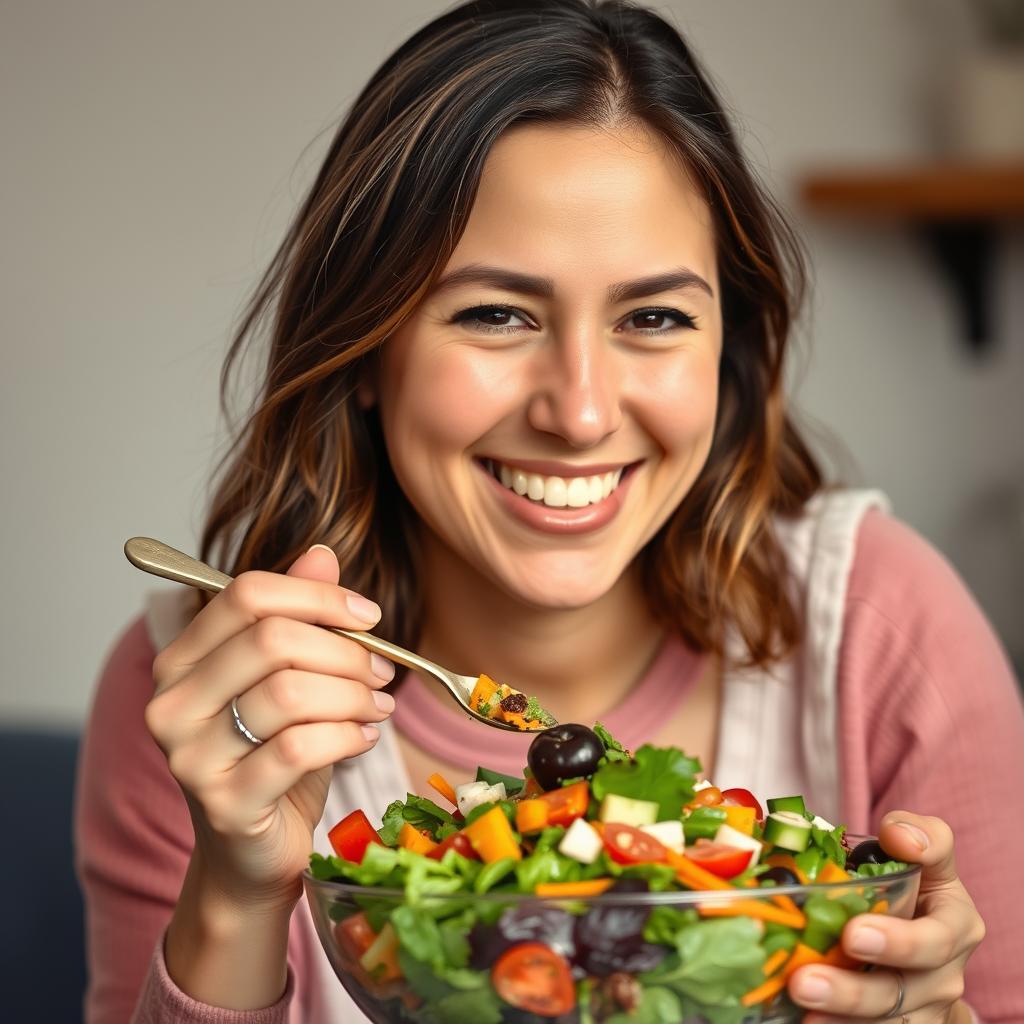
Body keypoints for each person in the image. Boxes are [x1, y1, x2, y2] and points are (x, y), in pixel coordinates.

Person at [74, 1, 1024, 1021]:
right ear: (364, 352)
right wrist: (233, 898)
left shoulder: (884, 624)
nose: (577, 411)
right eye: (495, 314)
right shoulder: (210, 692)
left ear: (726, 349)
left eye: (653, 317)